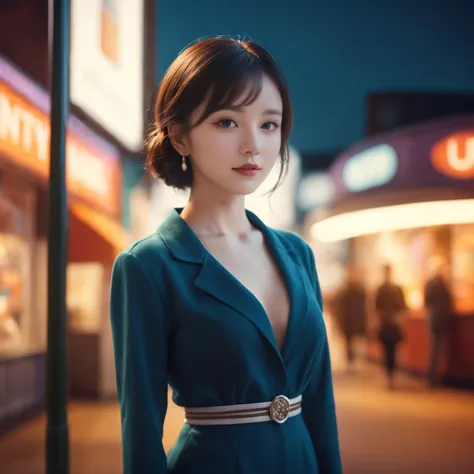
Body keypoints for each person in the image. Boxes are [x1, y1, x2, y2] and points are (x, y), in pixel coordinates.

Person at [110, 37, 342, 474]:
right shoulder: (148, 266)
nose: (253, 145)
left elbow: (320, 404)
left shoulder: (298, 254)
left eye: (269, 124)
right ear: (179, 136)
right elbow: (139, 431)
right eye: (227, 122)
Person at [375, 264, 407, 389]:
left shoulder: (391, 289)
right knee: (388, 350)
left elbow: (402, 306)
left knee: (391, 350)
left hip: (391, 323)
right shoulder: (385, 289)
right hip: (387, 323)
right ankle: (390, 374)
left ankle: (390, 374)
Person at [424, 256, 453, 387]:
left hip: (435, 319)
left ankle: (434, 376)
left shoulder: (431, 284)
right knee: (436, 349)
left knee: (435, 348)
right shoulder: (442, 284)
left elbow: (427, 302)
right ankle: (434, 377)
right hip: (440, 319)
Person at [334, 266, 367, 373]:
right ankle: (350, 361)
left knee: (357, 342)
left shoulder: (361, 291)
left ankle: (354, 360)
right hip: (347, 321)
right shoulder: (344, 292)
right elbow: (339, 308)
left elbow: (365, 308)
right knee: (349, 342)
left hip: (357, 321)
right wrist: (338, 322)